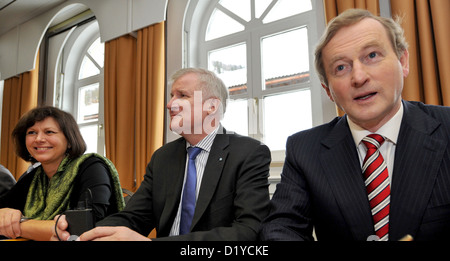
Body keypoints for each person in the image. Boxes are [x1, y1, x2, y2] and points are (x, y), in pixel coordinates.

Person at [260, 9, 450, 241]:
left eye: (372, 55)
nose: (359, 77)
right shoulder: (304, 149)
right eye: (341, 67)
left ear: (403, 61)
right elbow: (280, 229)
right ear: (328, 91)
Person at [53, 68, 271, 241]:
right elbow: (134, 217)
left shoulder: (249, 153)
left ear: (211, 106)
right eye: (171, 96)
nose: (169, 104)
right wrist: (81, 234)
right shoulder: (163, 157)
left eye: (182, 95)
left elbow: (247, 231)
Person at [0, 106, 124, 240]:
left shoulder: (92, 167)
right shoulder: (32, 178)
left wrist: (19, 225)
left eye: (49, 132)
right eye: (31, 132)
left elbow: (81, 228)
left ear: (69, 140)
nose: (39, 139)